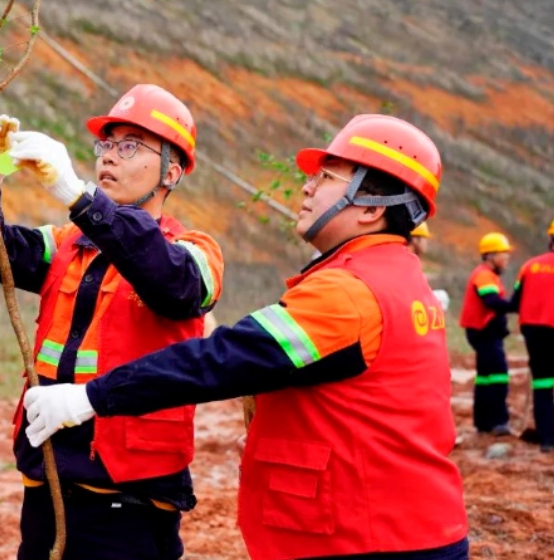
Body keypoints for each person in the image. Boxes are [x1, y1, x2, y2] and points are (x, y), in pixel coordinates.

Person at [24, 114, 470, 560]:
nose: (307, 188)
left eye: (327, 177)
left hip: (373, 538)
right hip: (409, 527)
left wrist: (90, 398)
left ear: (372, 207)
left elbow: (222, 360)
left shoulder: (349, 293)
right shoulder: (399, 279)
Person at [0, 84, 224, 560]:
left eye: (130, 147)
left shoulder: (194, 253)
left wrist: (80, 196)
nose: (109, 158)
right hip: (49, 480)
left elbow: (172, 281)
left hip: (130, 499)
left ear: (173, 171)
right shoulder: (69, 242)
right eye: (106, 144)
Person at [459, 232, 515, 435]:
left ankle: (483, 422)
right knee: (498, 376)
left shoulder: (487, 275)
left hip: (483, 333)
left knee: (485, 377)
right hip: (485, 333)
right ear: (491, 256)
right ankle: (499, 421)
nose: (507, 259)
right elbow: (491, 301)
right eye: (503, 254)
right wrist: (516, 304)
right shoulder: (484, 275)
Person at [511, 219, 554, 453]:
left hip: (534, 332)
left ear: (550, 240)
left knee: (543, 383)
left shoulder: (530, 266)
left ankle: (547, 438)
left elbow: (515, 301)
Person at [407, 222, 450, 310]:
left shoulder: (411, 258)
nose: (426, 243)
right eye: (424, 238)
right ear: (415, 240)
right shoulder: (409, 260)